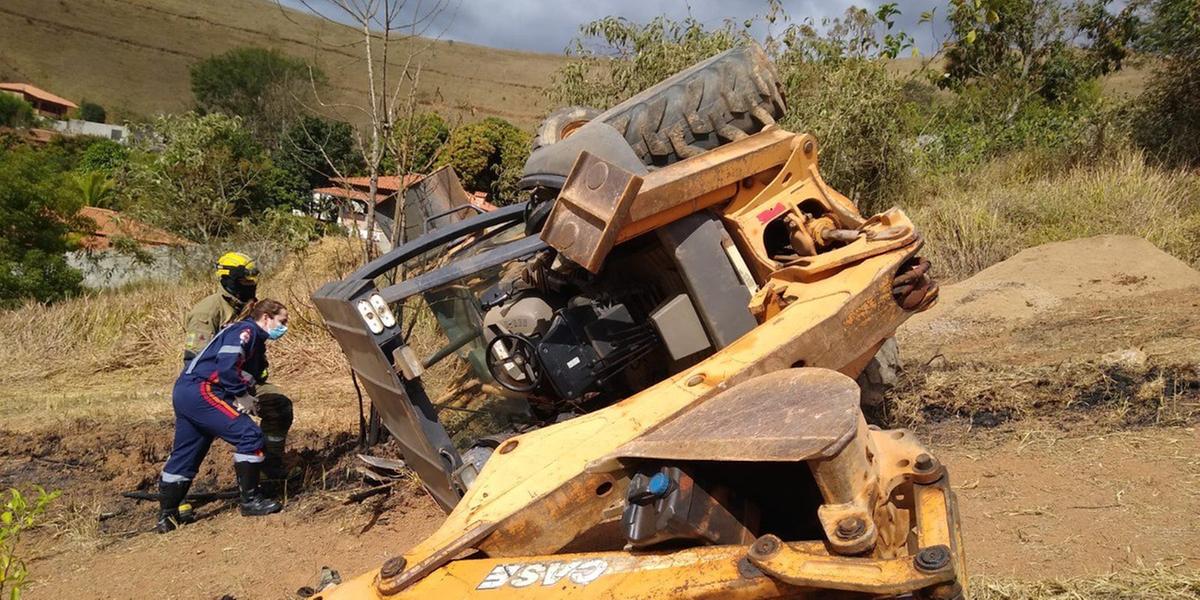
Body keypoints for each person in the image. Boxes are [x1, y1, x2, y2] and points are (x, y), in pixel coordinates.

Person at [157, 299, 290, 533]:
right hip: (202, 391)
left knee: (186, 454)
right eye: (282, 321)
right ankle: (250, 501)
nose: (285, 327)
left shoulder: (253, 339)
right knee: (249, 436)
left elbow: (249, 373)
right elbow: (227, 366)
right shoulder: (246, 331)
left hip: (186, 392)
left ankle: (167, 516)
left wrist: (246, 396)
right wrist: (241, 396)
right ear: (267, 317)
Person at [185, 252, 294, 480]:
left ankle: (269, 466)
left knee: (279, 406)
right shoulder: (208, 311)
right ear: (229, 279)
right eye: (245, 280)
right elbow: (196, 359)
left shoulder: (249, 307)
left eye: (253, 279)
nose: (250, 285)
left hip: (243, 383)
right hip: (212, 387)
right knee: (197, 439)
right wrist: (235, 394)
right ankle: (178, 497)